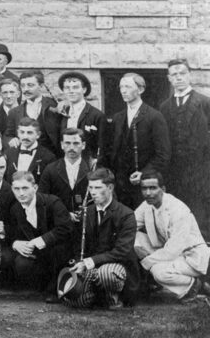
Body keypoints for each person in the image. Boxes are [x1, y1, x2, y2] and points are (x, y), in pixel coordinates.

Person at [61, 167, 139, 309]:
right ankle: (97, 296)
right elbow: (78, 246)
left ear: (110, 188)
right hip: (91, 267)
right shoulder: (86, 212)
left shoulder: (126, 214)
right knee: (76, 301)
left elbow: (121, 252)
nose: (93, 192)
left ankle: (114, 298)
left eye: (98, 187)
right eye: (90, 187)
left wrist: (89, 262)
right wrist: (79, 263)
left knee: (106, 274)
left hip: (116, 267)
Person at [133, 171, 210, 301]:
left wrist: (145, 262)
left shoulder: (178, 209)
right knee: (133, 237)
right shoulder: (147, 204)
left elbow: (172, 251)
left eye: (152, 188)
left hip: (190, 257)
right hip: (169, 252)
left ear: (163, 189)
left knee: (158, 272)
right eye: (144, 188)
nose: (148, 193)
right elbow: (130, 225)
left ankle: (195, 285)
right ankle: (148, 282)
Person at [100, 73, 171, 209]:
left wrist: (144, 173)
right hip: (120, 185)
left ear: (140, 90)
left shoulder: (154, 117)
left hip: (143, 185)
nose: (123, 90)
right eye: (121, 86)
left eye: (127, 86)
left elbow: (163, 154)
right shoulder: (117, 118)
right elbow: (110, 151)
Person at [0, 171, 73, 299]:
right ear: (12, 189)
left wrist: (37, 241)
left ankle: (53, 288)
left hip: (57, 251)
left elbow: (65, 229)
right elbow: (13, 232)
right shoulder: (15, 209)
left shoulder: (52, 202)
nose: (21, 193)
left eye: (25, 188)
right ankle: (36, 287)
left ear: (35, 188)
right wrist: (15, 243)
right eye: (16, 189)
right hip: (36, 254)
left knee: (58, 253)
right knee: (18, 263)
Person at [158, 58, 210, 238]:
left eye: (182, 73)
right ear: (169, 78)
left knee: (200, 210)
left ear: (189, 75)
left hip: (200, 170)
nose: (178, 77)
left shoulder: (205, 103)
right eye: (174, 74)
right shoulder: (164, 107)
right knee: (176, 211)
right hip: (174, 171)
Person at [39, 128, 93, 224]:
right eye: (67, 143)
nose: (71, 147)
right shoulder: (50, 169)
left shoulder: (92, 170)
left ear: (83, 145)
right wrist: (65, 214)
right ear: (62, 145)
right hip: (58, 224)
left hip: (86, 224)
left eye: (76, 143)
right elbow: (42, 200)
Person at [4, 70, 62, 156]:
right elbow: (7, 136)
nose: (26, 89)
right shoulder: (14, 112)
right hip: (24, 159)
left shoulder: (55, 106)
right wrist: (10, 140)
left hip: (52, 159)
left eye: (30, 85)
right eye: (23, 86)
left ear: (41, 86)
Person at [56, 71, 105, 162]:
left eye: (75, 87)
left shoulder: (96, 115)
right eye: (67, 88)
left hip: (87, 165)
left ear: (84, 89)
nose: (71, 91)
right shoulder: (61, 114)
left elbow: (102, 146)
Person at [4, 117, 56, 184]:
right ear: (18, 133)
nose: (25, 136)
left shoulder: (48, 157)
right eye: (22, 132)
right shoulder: (9, 154)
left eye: (29, 133)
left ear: (38, 135)